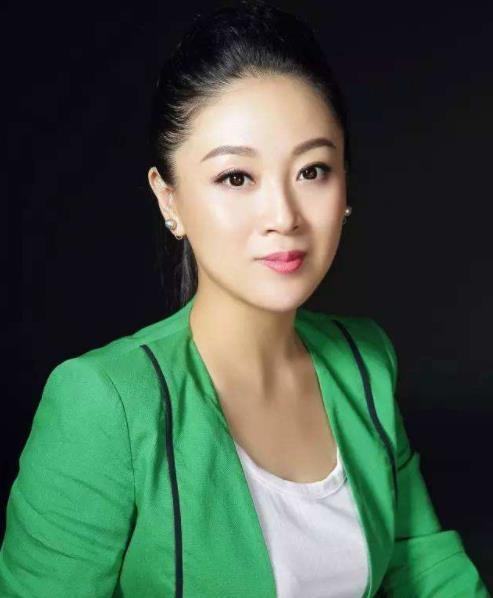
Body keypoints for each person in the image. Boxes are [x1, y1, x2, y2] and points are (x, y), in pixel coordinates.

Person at [0, 1, 489, 596]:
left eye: (312, 171)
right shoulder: (103, 404)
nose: (283, 216)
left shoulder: (365, 361)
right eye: (236, 177)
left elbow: (420, 564)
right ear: (169, 200)